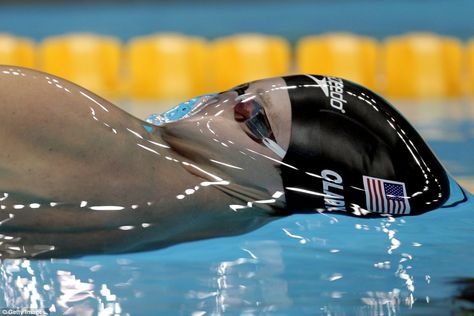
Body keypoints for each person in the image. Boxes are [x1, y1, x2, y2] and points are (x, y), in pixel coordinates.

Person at [0, 66, 457, 258]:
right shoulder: (222, 221)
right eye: (243, 90)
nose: (228, 102)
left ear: (293, 182)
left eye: (254, 119)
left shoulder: (64, 118)